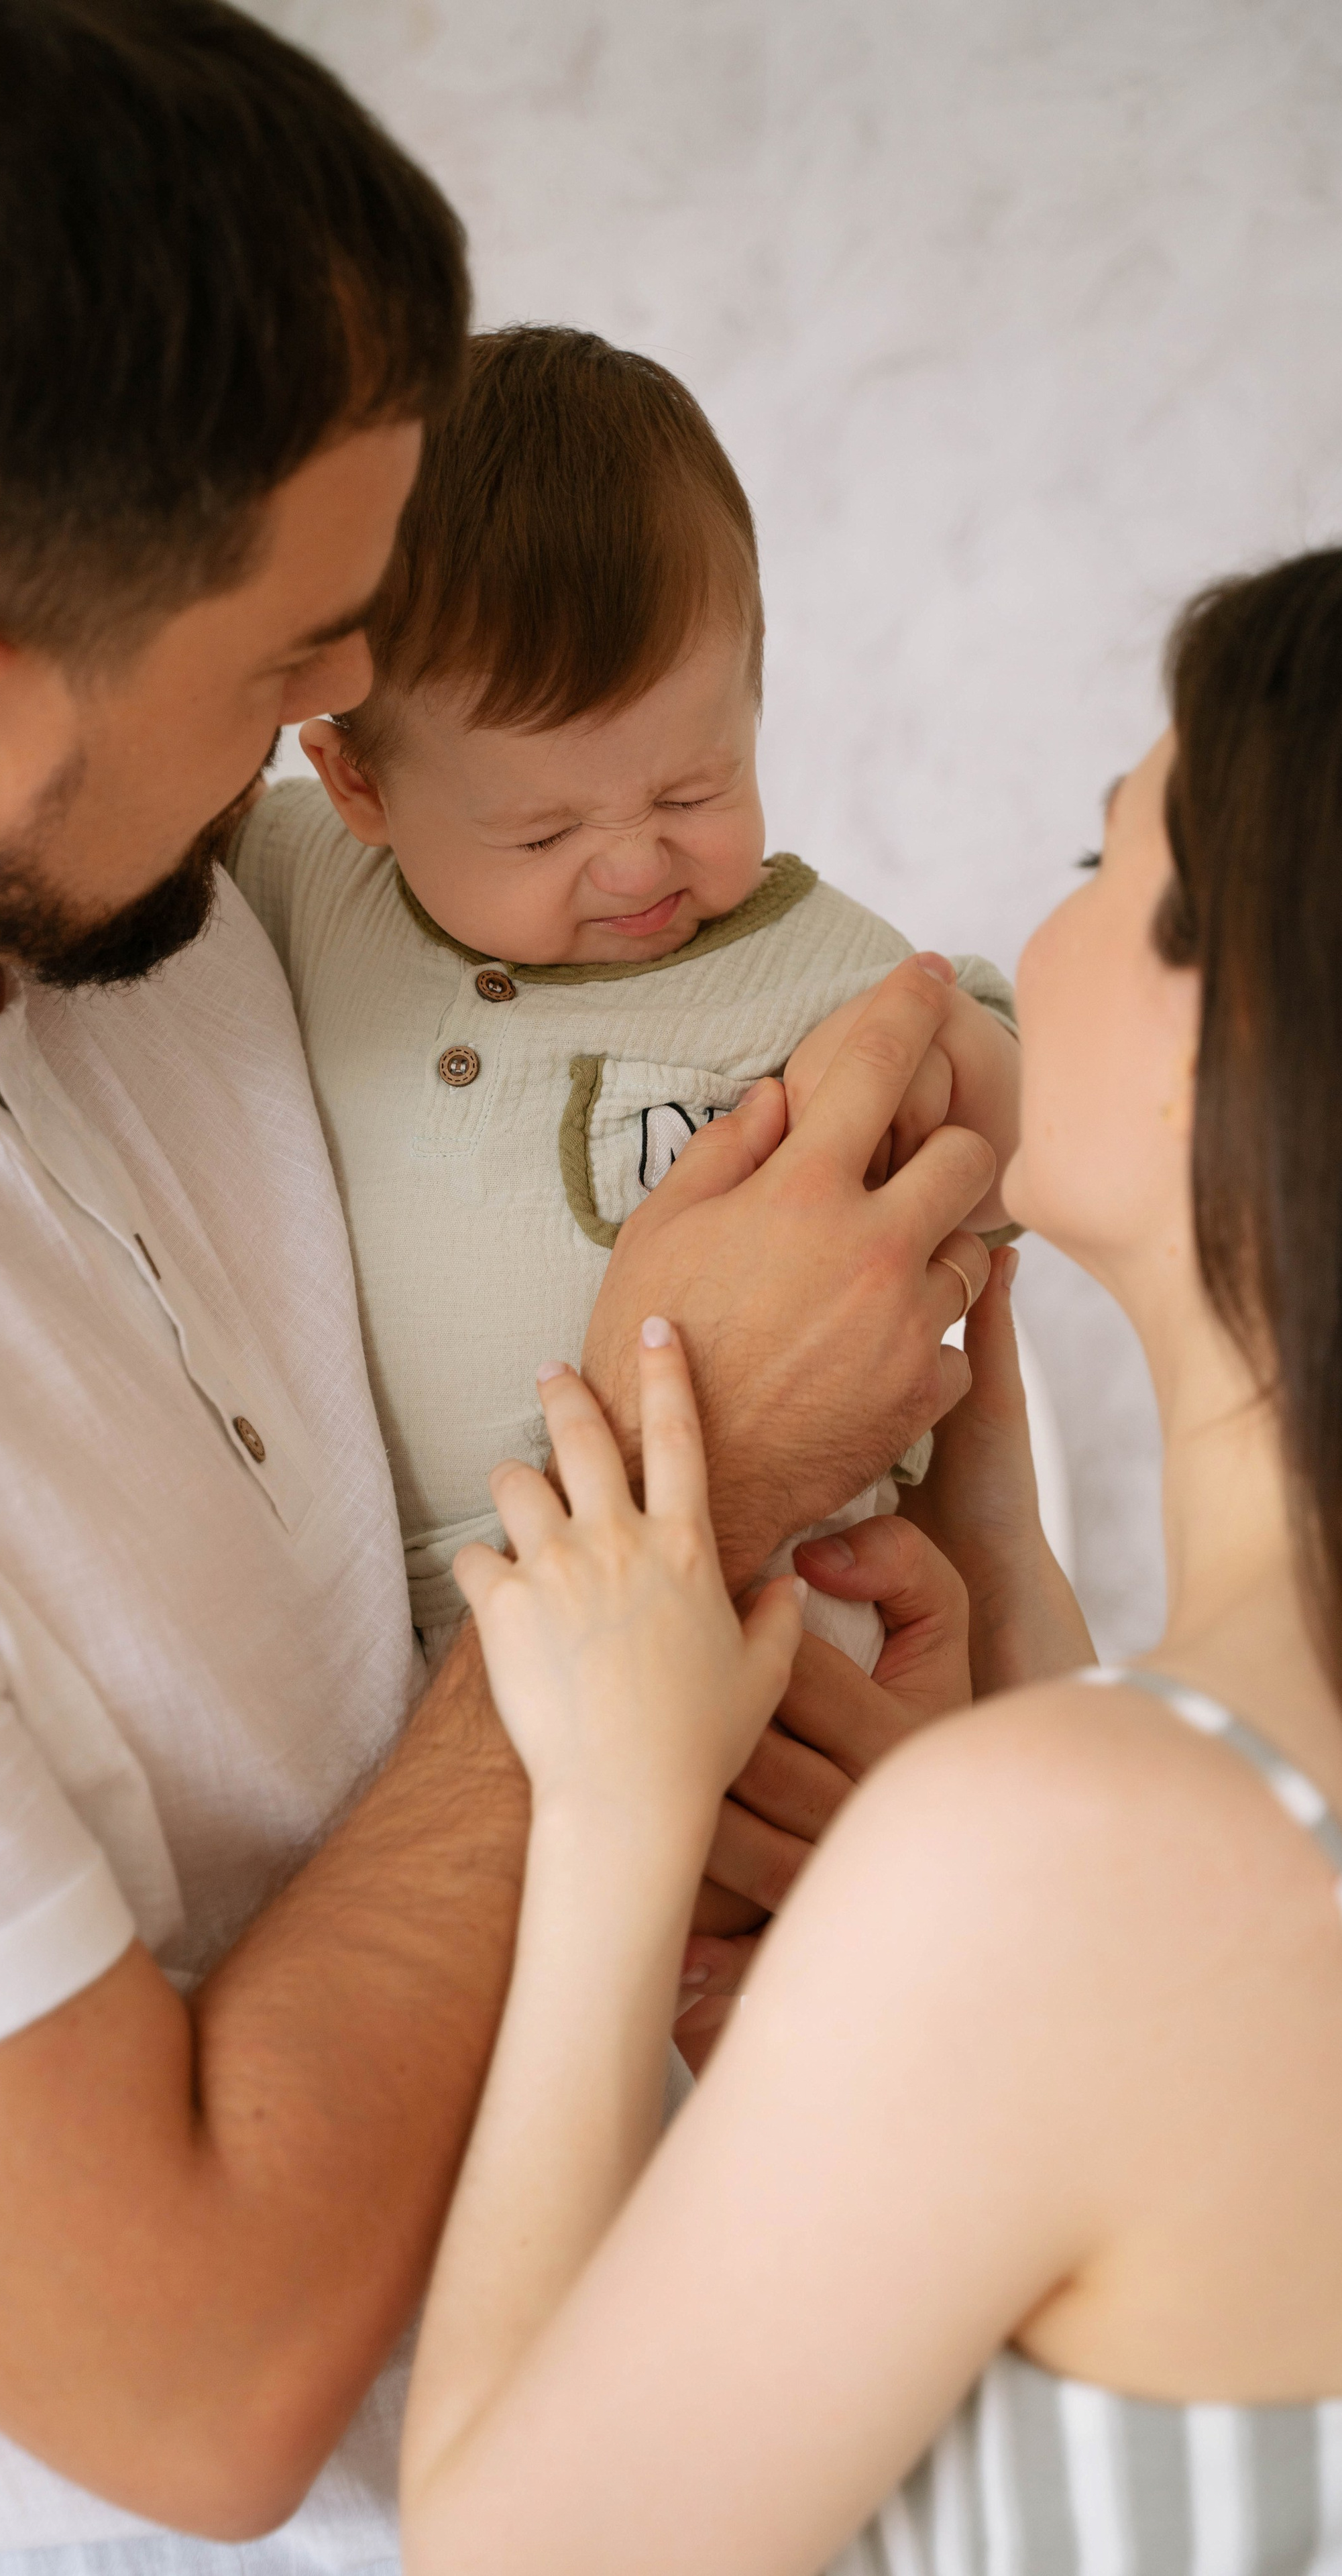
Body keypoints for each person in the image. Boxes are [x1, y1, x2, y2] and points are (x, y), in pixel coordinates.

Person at [0, 5, 997, 2569]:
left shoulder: (197, 910)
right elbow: (192, 2382)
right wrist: (681, 1480)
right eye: (294, 665)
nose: (359, 716)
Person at [396, 536, 1342, 2576]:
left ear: (1237, 1027)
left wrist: (618, 1817)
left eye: (1096, 865)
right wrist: (1019, 1607)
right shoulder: (1238, 1822)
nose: (1006, 942)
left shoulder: (1092, 1860)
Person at [231, 323, 1021, 1686]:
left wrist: (969, 1083)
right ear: (357, 786)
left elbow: (1027, 1132)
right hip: (427, 1635)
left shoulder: (821, 973)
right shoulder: (306, 883)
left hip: (777, 1593)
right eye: (539, 835)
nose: (636, 863)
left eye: (691, 790)